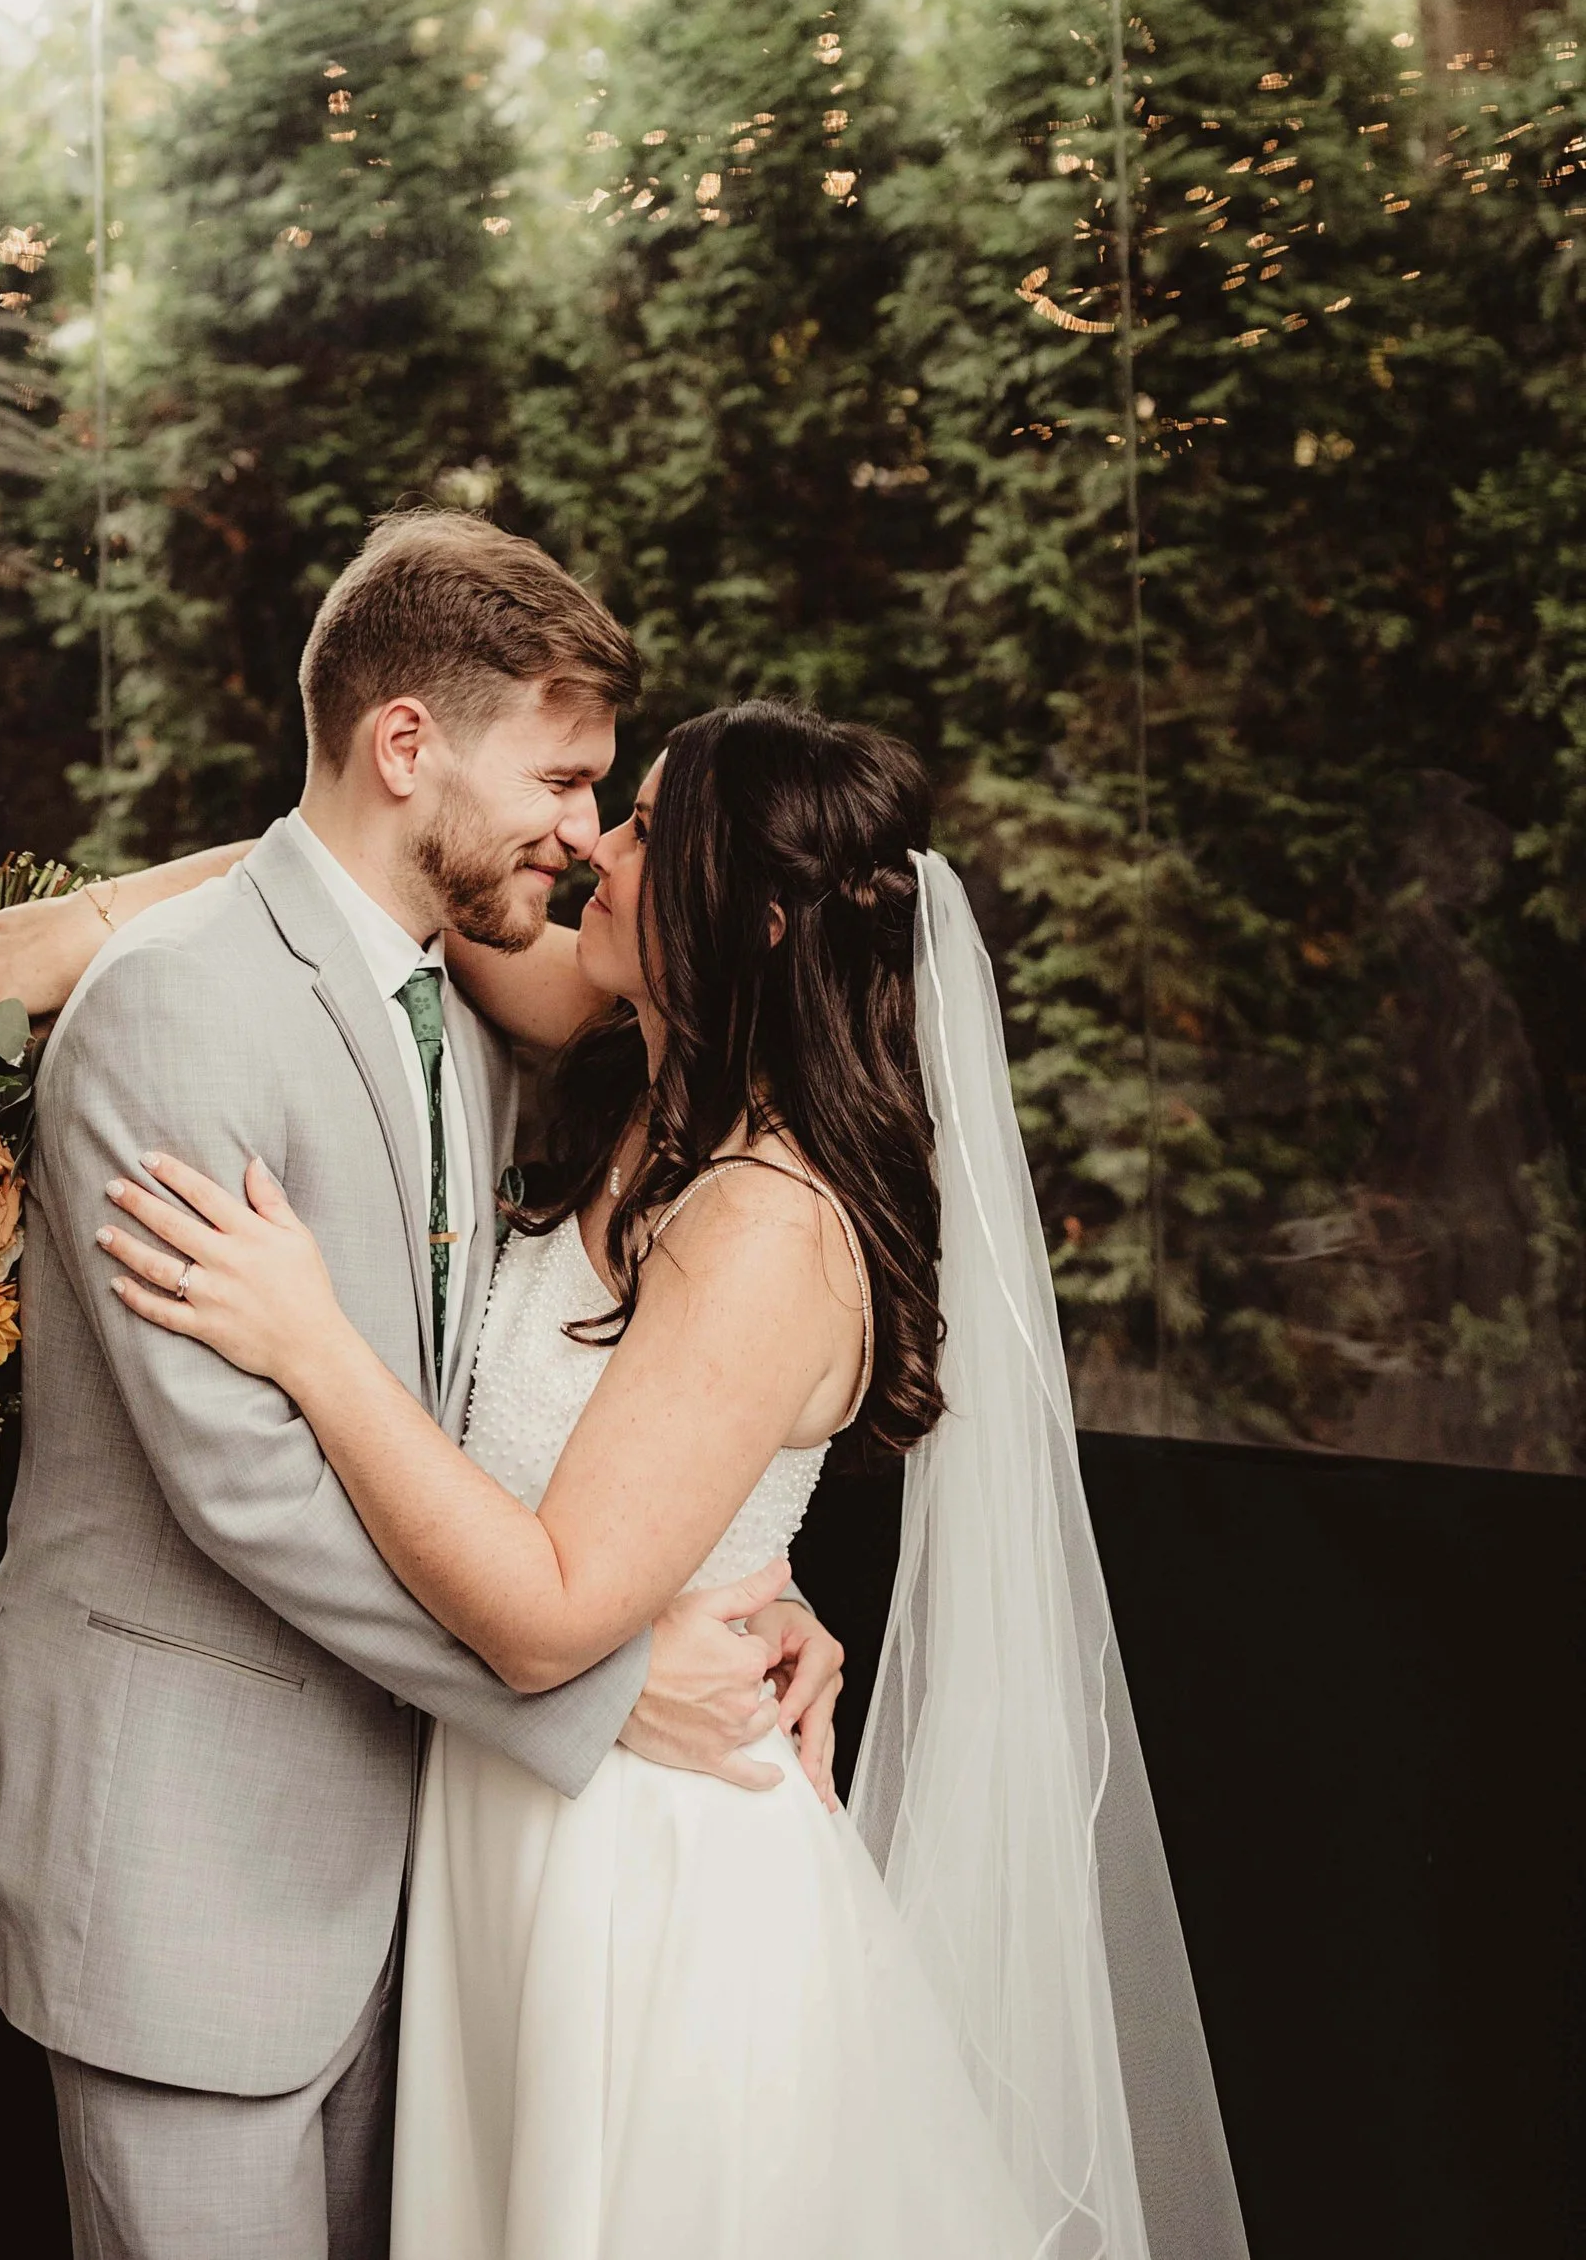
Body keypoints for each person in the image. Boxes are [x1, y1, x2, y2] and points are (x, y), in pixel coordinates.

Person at [85, 696, 1253, 2260]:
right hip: (525, 1838)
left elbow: (554, 1613)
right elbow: (350, 881)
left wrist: (311, 1338)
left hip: (646, 1890)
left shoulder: (768, 1221)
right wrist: (93, 918)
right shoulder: (649, 1061)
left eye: (641, 829)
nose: (595, 849)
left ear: (753, 921)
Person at [0, 515, 846, 2260]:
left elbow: (541, 1413)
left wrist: (748, 1584)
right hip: (194, 1869)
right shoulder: (172, 1018)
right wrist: (593, 1680)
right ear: (408, 744)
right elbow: (247, 1488)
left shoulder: (474, 1004)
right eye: (569, 781)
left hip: (432, 1883)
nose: (584, 834)